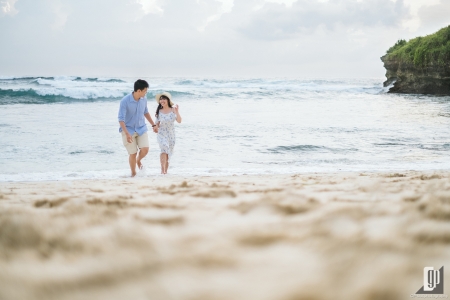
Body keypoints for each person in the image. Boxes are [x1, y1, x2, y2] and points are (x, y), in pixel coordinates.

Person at [118, 79, 157, 177]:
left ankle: (138, 160)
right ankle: (133, 173)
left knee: (145, 149)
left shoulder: (144, 99)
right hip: (128, 130)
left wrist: (153, 125)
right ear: (138, 91)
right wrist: (126, 133)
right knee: (133, 153)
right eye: (145, 91)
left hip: (141, 128)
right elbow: (121, 119)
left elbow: (146, 112)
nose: (146, 93)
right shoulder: (125, 101)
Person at [154, 92, 182, 174]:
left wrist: (177, 112)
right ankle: (162, 170)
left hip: (171, 134)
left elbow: (179, 121)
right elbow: (157, 124)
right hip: (162, 133)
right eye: (161, 99)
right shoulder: (159, 111)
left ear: (168, 100)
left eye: (164, 99)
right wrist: (155, 127)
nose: (162, 100)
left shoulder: (173, 110)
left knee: (169, 152)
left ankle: (165, 171)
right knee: (164, 148)